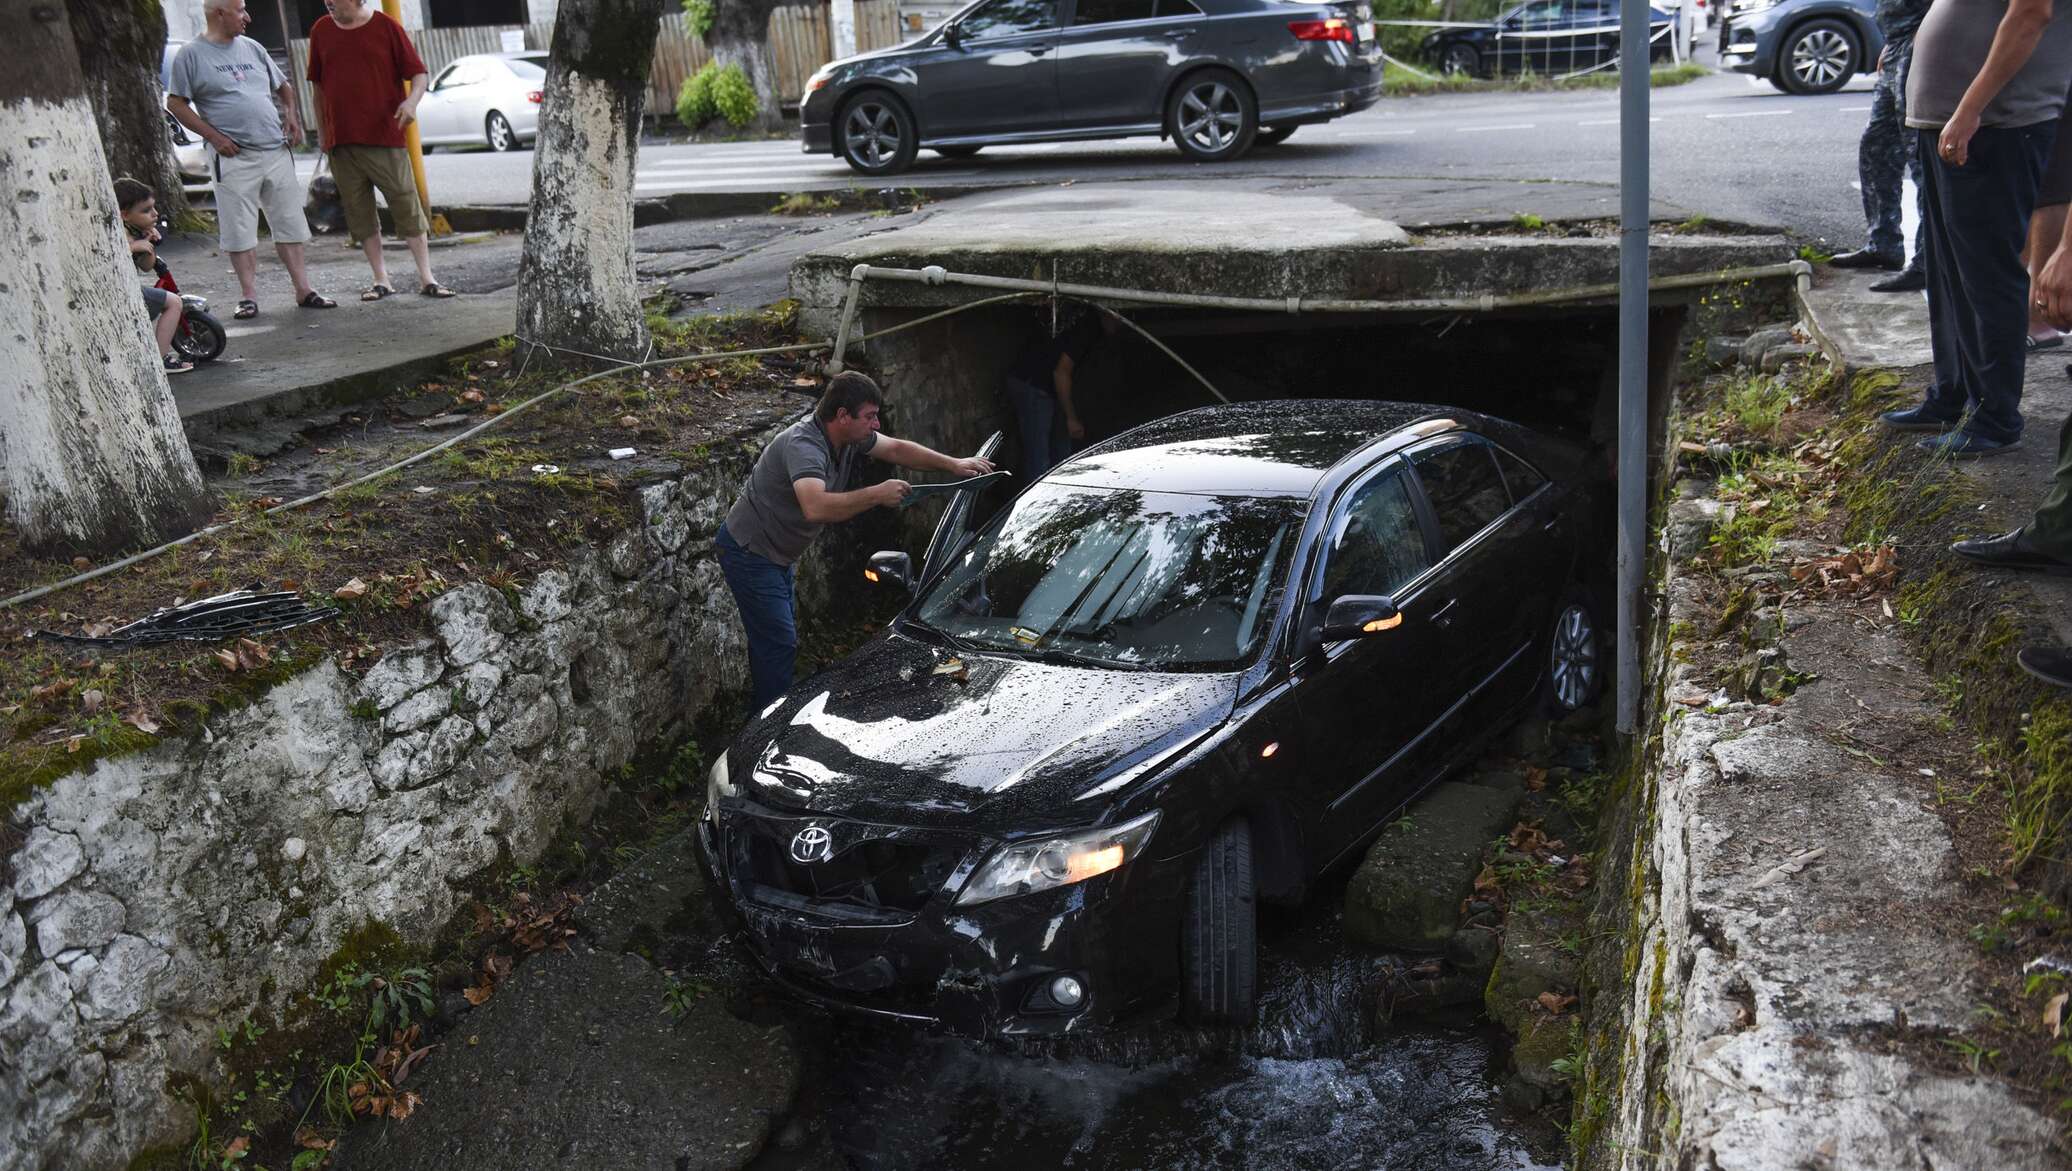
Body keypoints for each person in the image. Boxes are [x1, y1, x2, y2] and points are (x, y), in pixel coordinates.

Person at [716, 372, 995, 709]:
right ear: (842, 416)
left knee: (772, 640)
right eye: (870, 416)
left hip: (777, 554)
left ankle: (767, 708)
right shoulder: (805, 446)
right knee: (779, 642)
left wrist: (954, 465)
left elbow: (895, 448)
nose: (876, 424)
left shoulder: (847, 437)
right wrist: (877, 494)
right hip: (751, 551)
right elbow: (815, 505)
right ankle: (766, 726)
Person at [1878, 0, 2072, 458]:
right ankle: (1953, 394)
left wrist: (1969, 109)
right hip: (1950, 122)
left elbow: (2031, 15)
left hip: (1996, 124)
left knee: (1986, 273)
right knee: (1948, 272)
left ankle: (1995, 418)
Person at [166, 0, 333, 320]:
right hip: (233, 154)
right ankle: (248, 296)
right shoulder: (191, 54)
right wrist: (214, 138)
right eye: (240, 10)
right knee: (239, 228)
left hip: (274, 149)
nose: (248, 17)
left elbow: (284, 87)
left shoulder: (253, 48)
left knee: (289, 223)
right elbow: (177, 103)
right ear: (219, 13)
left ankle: (303, 289)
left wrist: (292, 117)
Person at [305, 0, 456, 301]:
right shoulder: (321, 30)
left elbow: (419, 74)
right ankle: (380, 279)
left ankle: (427, 277)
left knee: (405, 203)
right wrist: (323, 133)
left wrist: (411, 102)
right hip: (341, 141)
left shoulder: (386, 26)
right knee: (359, 212)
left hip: (385, 136)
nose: (329, 2)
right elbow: (318, 88)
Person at [1831, 0, 1935, 290]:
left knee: (1919, 158)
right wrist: (1891, 45)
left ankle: (1927, 263)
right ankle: (1883, 244)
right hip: (1896, 49)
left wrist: (1922, 37)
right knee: (1876, 149)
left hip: (1918, 50)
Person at [1004, 307, 1121, 480]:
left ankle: (1061, 487)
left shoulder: (1085, 323)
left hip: (1048, 387)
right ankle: (1037, 500)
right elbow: (1061, 373)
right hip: (1033, 384)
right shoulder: (1086, 328)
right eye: (1120, 320)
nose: (1120, 326)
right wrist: (1071, 418)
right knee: (1039, 457)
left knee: (1061, 451)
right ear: (1109, 314)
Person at [115, 178, 194, 376]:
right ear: (124, 215)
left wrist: (147, 244)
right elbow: (110, 256)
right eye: (146, 210)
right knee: (174, 302)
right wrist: (132, 246)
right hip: (120, 292)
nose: (155, 214)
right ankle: (159, 359)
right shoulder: (120, 234)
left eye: (154, 207)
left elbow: (146, 266)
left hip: (127, 287)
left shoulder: (136, 230)